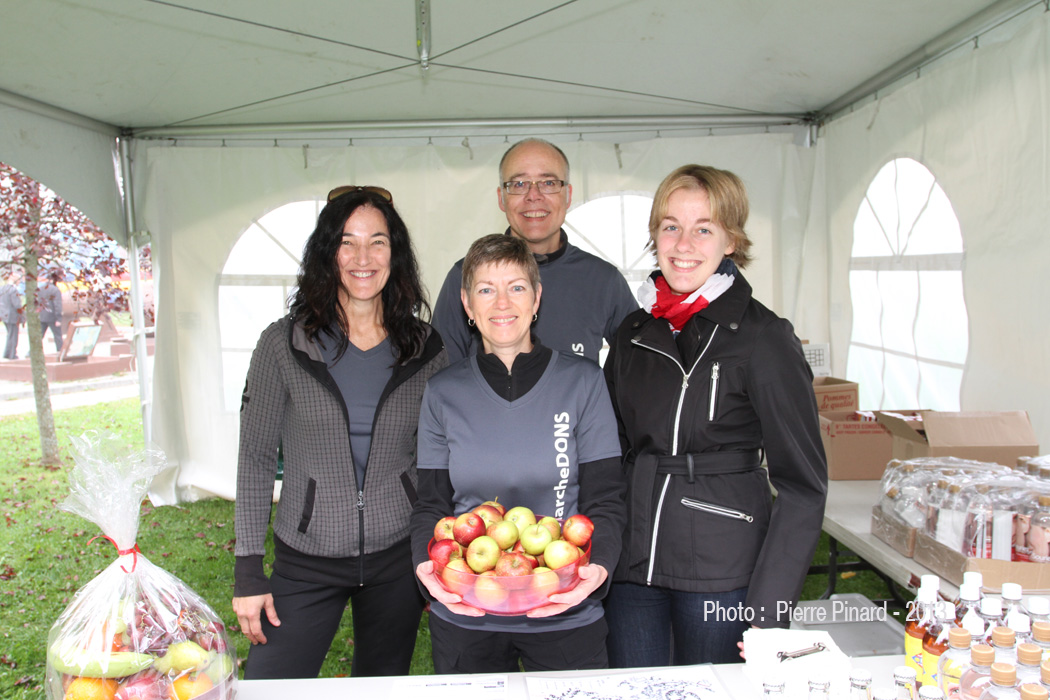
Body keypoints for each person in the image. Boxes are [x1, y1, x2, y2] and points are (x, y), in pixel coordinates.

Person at [602, 165, 828, 666]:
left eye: (703, 228)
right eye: (670, 226)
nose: (683, 243)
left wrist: (769, 609)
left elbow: (803, 486)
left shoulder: (764, 339)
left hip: (721, 568)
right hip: (632, 564)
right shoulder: (633, 333)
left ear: (731, 240)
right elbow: (611, 452)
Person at [233, 185, 448, 679]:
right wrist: (248, 570)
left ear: (395, 253)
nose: (362, 258)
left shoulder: (425, 349)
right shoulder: (283, 345)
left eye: (377, 241)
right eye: (346, 242)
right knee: (269, 687)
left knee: (381, 687)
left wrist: (440, 554)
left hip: (397, 558)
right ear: (326, 254)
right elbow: (256, 456)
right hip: (306, 559)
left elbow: (442, 455)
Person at [410, 234, 627, 673]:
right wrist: (428, 570)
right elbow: (430, 504)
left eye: (517, 287)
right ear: (467, 306)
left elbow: (606, 498)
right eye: (486, 290)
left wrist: (597, 571)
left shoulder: (583, 382)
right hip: (469, 610)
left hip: (563, 604)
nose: (502, 302)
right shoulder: (442, 392)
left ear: (537, 298)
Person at [431, 138, 637, 364]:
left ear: (568, 195)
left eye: (548, 183)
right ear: (501, 198)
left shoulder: (603, 280)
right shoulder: (466, 276)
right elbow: (441, 378)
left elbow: (635, 369)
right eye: (519, 184)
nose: (533, 195)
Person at [38, 272, 64, 353]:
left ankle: (32, 352)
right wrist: (59, 319)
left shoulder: (41, 289)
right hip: (52, 317)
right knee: (58, 336)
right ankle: (60, 351)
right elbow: (57, 305)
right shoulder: (55, 290)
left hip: (42, 316)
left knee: (39, 336)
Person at [1, 269, 23, 360]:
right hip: (13, 315)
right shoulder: (13, 290)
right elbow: (17, 304)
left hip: (4, 315)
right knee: (13, 335)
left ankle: (7, 352)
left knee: (10, 334)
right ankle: (12, 354)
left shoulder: (2, 288)